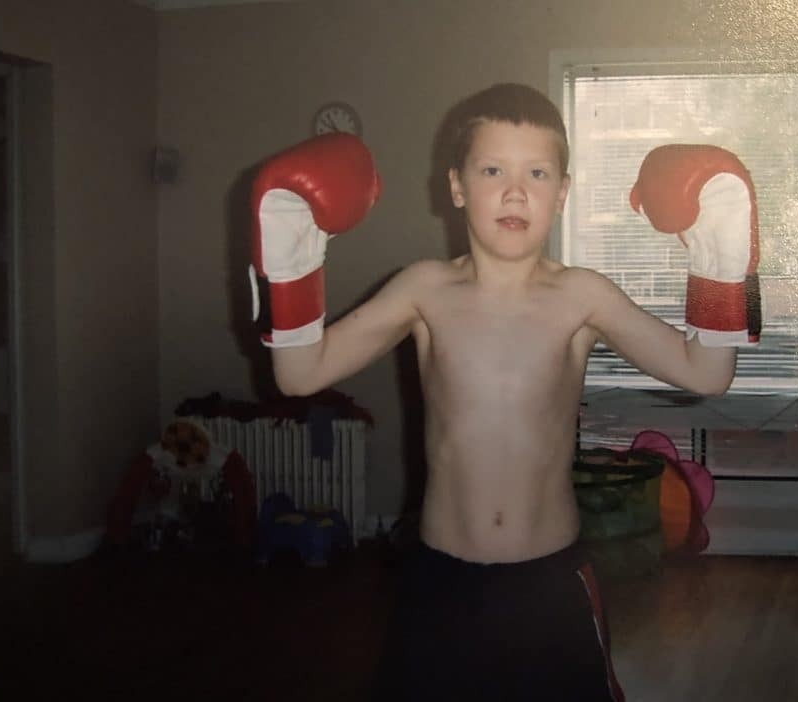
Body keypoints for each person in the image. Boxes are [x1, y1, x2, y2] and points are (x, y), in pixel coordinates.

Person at [248, 83, 759, 701]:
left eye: (537, 173)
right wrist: (292, 265)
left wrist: (719, 264)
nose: (515, 192)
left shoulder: (582, 296)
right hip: (440, 583)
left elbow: (706, 373)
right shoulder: (423, 290)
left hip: (550, 585)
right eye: (493, 170)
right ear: (457, 186)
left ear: (562, 193)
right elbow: (300, 374)